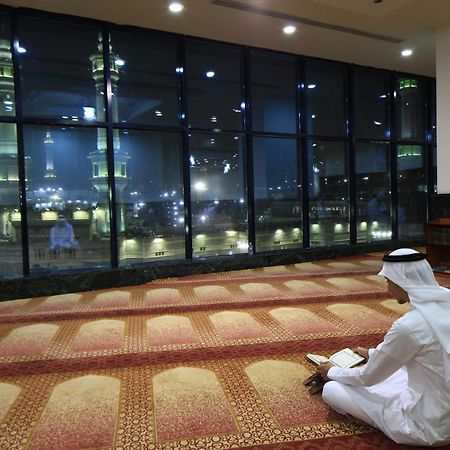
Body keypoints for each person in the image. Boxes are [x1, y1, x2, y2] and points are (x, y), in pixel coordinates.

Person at [316, 248, 450, 447]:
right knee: (399, 371)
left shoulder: (409, 325)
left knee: (332, 389)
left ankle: (375, 420)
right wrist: (371, 354)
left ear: (400, 281)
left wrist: (332, 371)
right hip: (441, 401)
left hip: (428, 427)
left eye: (388, 281)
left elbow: (368, 377)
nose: (388, 289)